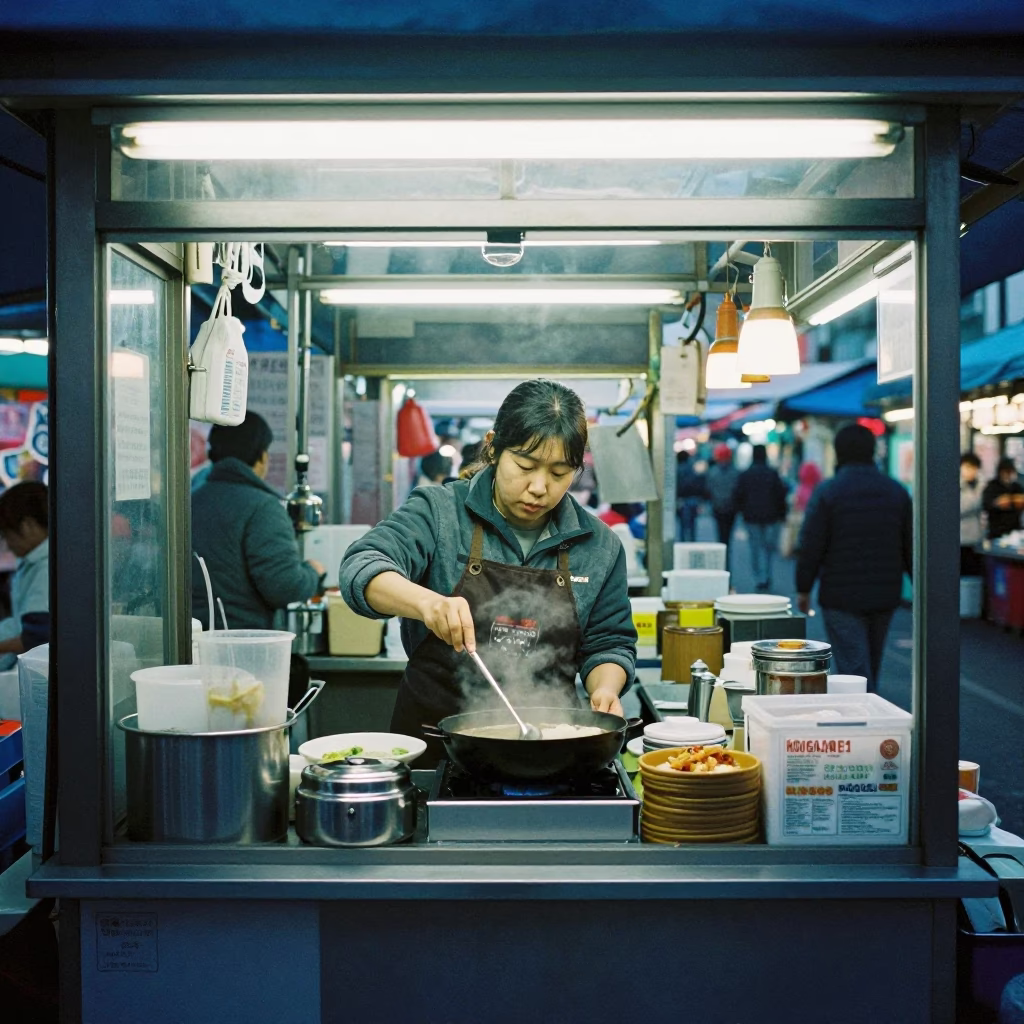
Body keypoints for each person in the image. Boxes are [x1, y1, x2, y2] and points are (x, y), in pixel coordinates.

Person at [339, 379, 637, 765]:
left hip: (553, 748)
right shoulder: (439, 512)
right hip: (436, 743)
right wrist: (427, 604)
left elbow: (609, 642)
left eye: (560, 473)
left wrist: (605, 689)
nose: (539, 487)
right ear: (493, 447)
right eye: (525, 465)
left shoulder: (598, 545)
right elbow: (361, 567)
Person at [795, 424, 912, 690]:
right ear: (873, 451)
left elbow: (811, 544)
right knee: (872, 660)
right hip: (885, 592)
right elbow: (909, 544)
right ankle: (873, 714)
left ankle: (863, 722)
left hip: (841, 595)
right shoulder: (896, 491)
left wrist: (804, 588)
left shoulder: (829, 491)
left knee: (853, 668)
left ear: (838, 453)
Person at [191, 410, 325, 629]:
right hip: (243, 642)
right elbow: (284, 587)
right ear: (262, 457)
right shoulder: (263, 508)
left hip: (192, 637)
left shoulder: (191, 501)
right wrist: (313, 572)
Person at [0, 481, 49, 668]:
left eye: (6, 534)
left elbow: (36, 638)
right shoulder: (32, 563)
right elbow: (18, 623)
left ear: (28, 525)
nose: (8, 544)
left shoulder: (46, 568)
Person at [734, 445, 789, 592]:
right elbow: (780, 495)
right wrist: (783, 515)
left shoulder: (746, 474)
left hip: (751, 516)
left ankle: (759, 577)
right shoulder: (772, 473)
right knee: (768, 548)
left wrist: (741, 512)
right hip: (771, 516)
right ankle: (767, 575)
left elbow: (739, 495)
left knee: (755, 547)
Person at [705, 443, 740, 566]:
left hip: (718, 508)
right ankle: (725, 561)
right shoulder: (735, 472)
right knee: (727, 537)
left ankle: (723, 562)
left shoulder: (712, 472)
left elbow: (708, 489)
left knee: (721, 536)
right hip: (731, 508)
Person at [981, 456, 1024, 540]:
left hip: (1014, 531)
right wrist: (997, 503)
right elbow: (986, 505)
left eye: (1011, 472)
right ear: (1000, 472)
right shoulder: (992, 486)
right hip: (996, 531)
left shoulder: (1017, 487)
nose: (1009, 475)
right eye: (1006, 472)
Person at [959, 452, 984, 575]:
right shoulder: (955, 485)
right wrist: (978, 500)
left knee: (975, 576)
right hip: (961, 539)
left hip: (977, 539)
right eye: (967, 467)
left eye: (974, 468)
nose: (971, 471)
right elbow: (959, 508)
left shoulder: (981, 485)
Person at [675, 450, 706, 543]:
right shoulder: (693, 469)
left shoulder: (677, 470)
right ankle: (692, 544)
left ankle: (682, 545)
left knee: (682, 526)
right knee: (692, 526)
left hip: (682, 500)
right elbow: (699, 485)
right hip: (693, 499)